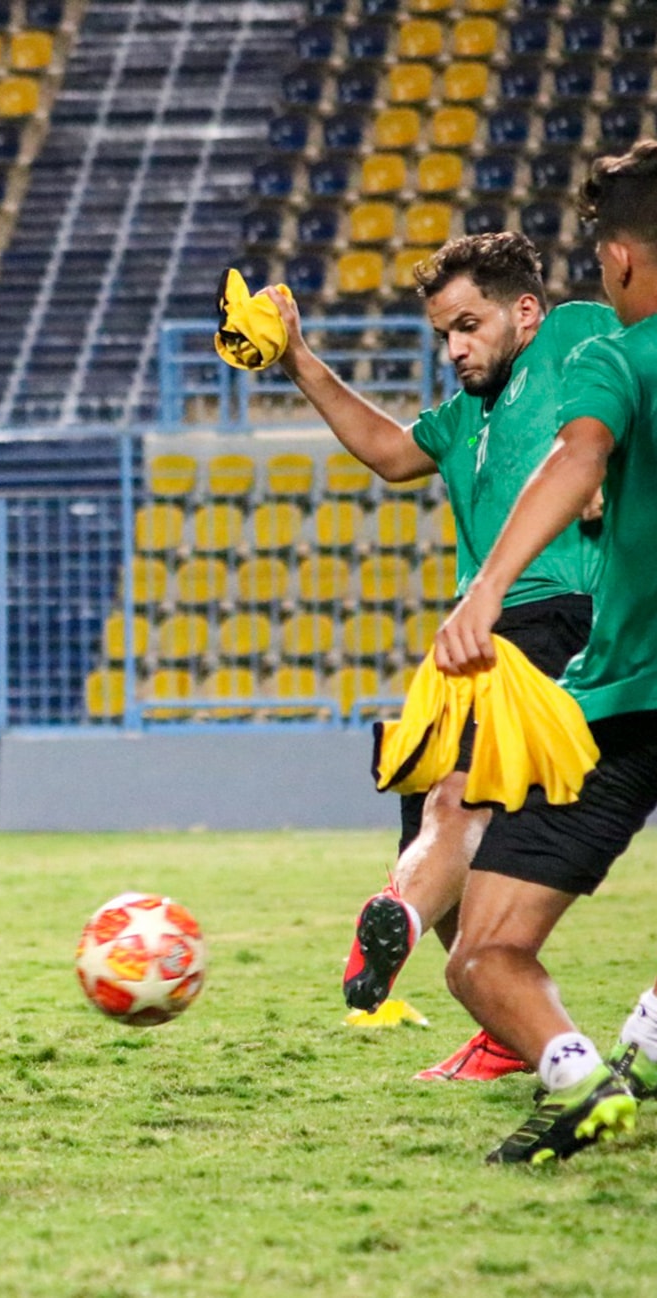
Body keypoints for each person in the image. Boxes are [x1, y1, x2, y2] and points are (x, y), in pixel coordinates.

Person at [264, 234, 610, 1081]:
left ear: (524, 311)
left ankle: (393, 917)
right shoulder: (469, 416)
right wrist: (300, 359)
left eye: (469, 325)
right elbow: (388, 455)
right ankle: (495, 1026)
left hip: (555, 614)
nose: (455, 348)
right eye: (443, 335)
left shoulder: (575, 338)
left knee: (459, 800)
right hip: (476, 635)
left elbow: (616, 413)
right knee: (428, 808)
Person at [434, 142, 657, 1163]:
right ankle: (628, 1058)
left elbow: (576, 450)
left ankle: (574, 1075)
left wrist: (482, 588)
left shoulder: (615, 354)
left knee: (481, 952)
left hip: (625, 691)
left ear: (614, 258)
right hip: (616, 683)